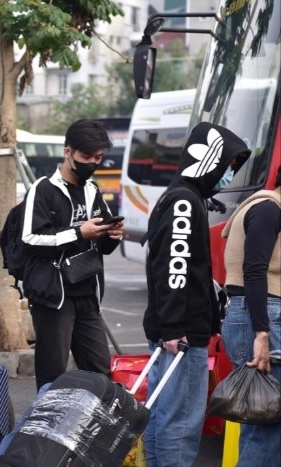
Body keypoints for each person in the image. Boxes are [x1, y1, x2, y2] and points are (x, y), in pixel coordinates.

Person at [142, 122, 250, 467]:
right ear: (209, 159)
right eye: (227, 165)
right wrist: (175, 328)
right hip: (182, 334)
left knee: (163, 416)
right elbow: (174, 269)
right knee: (181, 423)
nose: (228, 175)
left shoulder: (182, 198)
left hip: (173, 331)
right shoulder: (185, 203)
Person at [18, 119, 122, 391]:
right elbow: (30, 238)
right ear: (68, 152)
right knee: (53, 374)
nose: (92, 163)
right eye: (85, 157)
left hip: (87, 291)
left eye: (98, 158)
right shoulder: (43, 189)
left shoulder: (92, 190)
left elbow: (100, 241)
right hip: (54, 296)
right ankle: (46, 429)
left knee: (100, 373)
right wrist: (78, 232)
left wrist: (111, 236)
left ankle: (95, 430)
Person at [220, 164, 281, 466]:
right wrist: (262, 334)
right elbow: (254, 271)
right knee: (269, 427)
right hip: (263, 317)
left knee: (262, 418)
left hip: (255, 315)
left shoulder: (263, 205)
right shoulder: (268, 209)